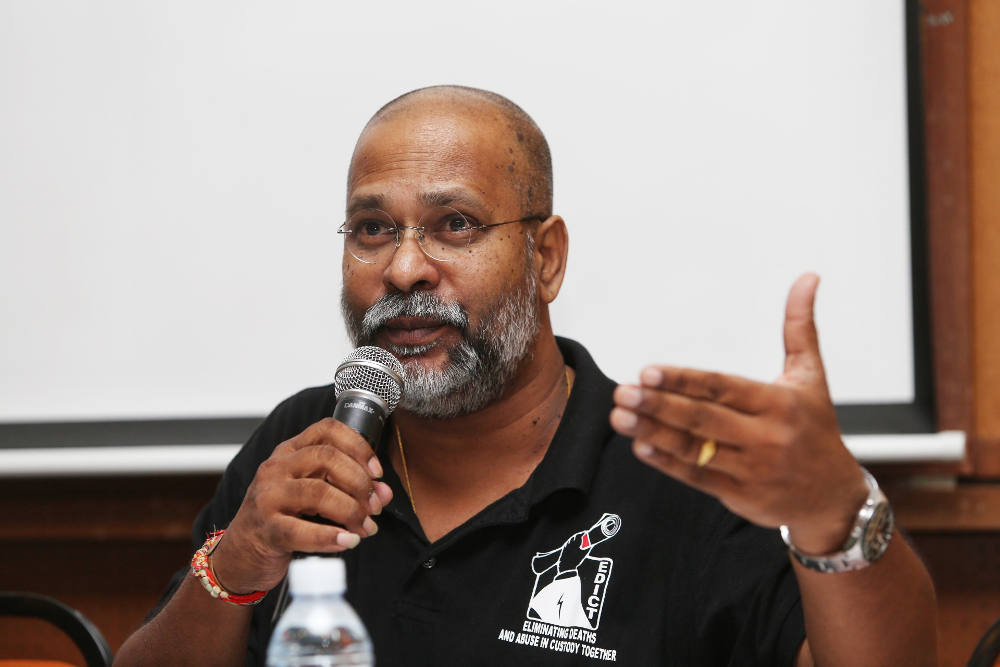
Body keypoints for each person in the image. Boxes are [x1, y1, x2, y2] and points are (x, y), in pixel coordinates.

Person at [115, 85, 937, 667]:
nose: (404, 267)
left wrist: (836, 506)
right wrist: (236, 564)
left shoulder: (674, 470)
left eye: (455, 225)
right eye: (371, 228)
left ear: (545, 258)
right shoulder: (304, 440)